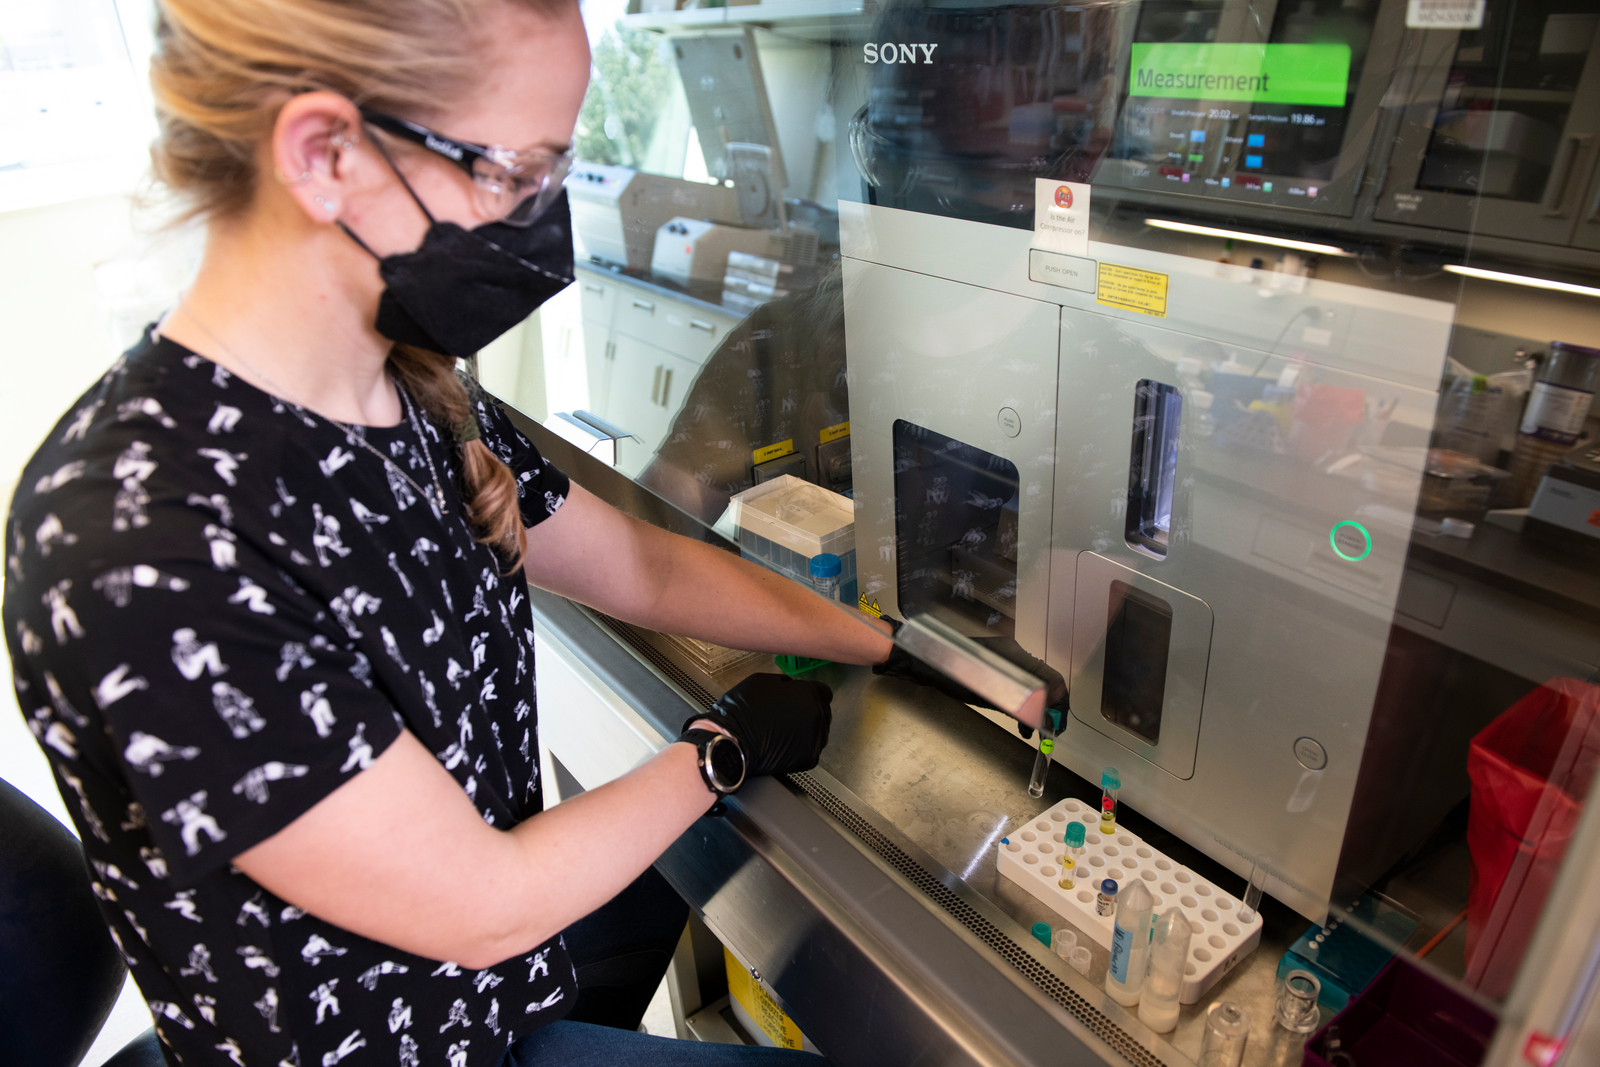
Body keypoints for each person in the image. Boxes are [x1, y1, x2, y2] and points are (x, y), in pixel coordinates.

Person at [3, 0, 896, 1064]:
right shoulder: (146, 542)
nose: (548, 220)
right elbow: (487, 903)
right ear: (326, 152)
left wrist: (890, 642)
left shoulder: (410, 392)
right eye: (519, 175)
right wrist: (721, 748)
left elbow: (638, 564)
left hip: (492, 995)